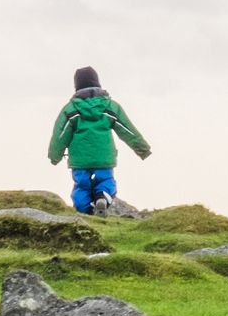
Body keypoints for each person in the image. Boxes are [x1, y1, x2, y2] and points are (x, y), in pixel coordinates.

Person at [47, 65, 150, 214]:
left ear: (76, 86)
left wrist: (55, 156)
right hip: (104, 157)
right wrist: (142, 149)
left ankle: (85, 212)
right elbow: (127, 130)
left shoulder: (70, 109)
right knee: (105, 181)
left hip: (80, 160)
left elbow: (60, 135)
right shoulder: (110, 107)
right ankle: (102, 196)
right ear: (97, 83)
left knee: (81, 187)